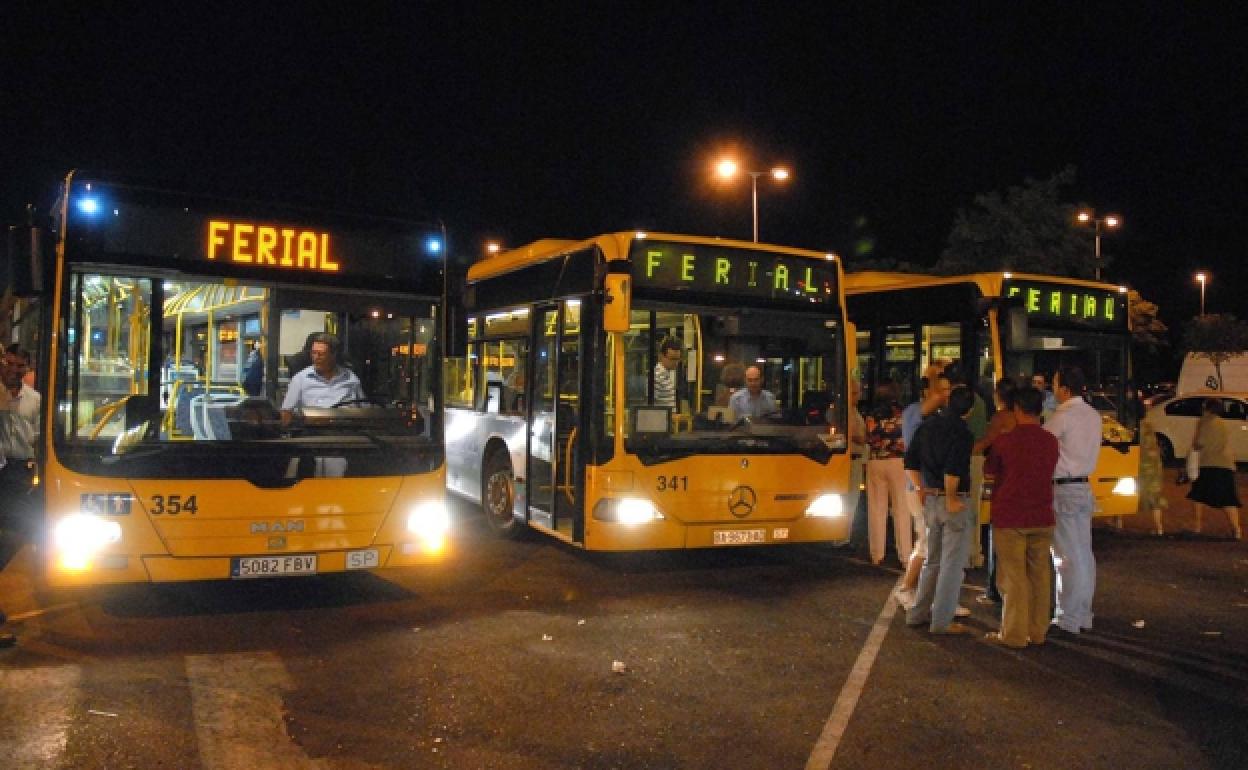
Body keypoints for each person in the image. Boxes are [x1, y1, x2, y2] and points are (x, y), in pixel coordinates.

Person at [982, 386, 1060, 648]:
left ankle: (1014, 634)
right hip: (1042, 514)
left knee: (1014, 577)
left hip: (1010, 515)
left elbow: (990, 470)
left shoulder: (1005, 441)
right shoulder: (1050, 441)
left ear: (1016, 410)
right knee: (1040, 574)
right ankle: (1038, 631)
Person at [904, 385, 977, 635]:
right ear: (969, 410)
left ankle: (918, 613)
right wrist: (953, 497)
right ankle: (942, 622)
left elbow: (910, 461)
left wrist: (919, 487)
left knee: (932, 560)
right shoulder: (962, 432)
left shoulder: (927, 426)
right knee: (952, 564)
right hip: (950, 499)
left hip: (931, 499)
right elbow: (954, 469)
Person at [1045, 365, 1102, 635]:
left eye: (1054, 384)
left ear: (1065, 389)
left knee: (1066, 556)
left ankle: (1067, 619)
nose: (1052, 390)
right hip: (1083, 488)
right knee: (1083, 553)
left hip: (1064, 489)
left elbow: (1041, 443)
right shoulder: (1093, 414)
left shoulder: (1063, 415)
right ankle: (1083, 614)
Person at [894, 374, 953, 610]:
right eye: (943, 390)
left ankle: (941, 599)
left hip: (930, 488)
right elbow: (912, 459)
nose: (947, 395)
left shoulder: (934, 417)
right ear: (929, 391)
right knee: (927, 542)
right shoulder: (913, 414)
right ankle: (906, 588)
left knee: (936, 544)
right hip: (919, 488)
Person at [973, 377, 1020, 606]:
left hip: (1001, 477)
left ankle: (994, 589)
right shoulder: (1024, 418)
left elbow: (986, 442)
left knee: (997, 534)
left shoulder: (1000, 418)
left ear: (998, 395)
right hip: (1021, 479)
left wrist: (964, 448)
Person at [865, 396, 912, 567]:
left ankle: (877, 554)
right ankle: (905, 555)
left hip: (875, 462)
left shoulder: (870, 419)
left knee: (876, 509)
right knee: (902, 509)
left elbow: (868, 439)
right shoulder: (902, 420)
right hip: (897, 463)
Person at [281, 332, 365, 424]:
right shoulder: (300, 379)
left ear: (333, 355)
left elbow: (366, 411)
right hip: (314, 432)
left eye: (321, 354)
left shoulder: (350, 378)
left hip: (347, 432)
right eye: (313, 353)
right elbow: (286, 414)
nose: (316, 357)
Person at [1186, 398, 1242, 539]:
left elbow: (1199, 442)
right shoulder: (1222, 423)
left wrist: (1191, 456)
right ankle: (1236, 530)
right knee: (1228, 499)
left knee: (1197, 495)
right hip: (1226, 464)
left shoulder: (1204, 421)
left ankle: (1197, 527)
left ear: (1207, 408)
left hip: (1209, 463)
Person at [1137, 411, 1169, 535]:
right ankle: (1159, 527)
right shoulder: (1149, 426)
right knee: (1155, 497)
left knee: (1121, 490)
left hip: (1142, 465)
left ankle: (1117, 520)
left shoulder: (1133, 426)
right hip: (1155, 464)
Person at [653, 337, 681, 409]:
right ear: (661, 356)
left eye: (677, 359)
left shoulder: (667, 375)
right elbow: (651, 408)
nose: (676, 363)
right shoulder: (656, 376)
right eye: (672, 359)